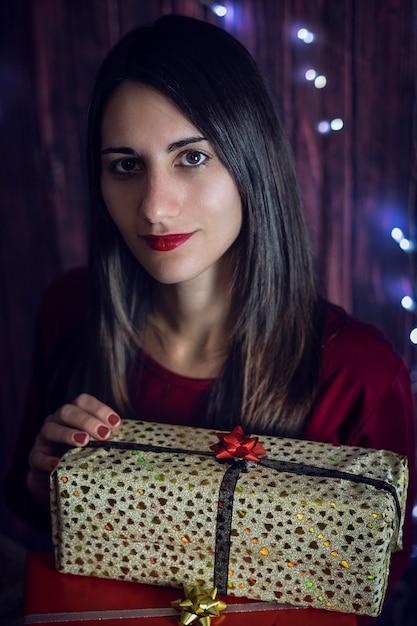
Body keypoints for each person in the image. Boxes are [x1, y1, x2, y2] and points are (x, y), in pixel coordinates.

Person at [5, 13, 415, 621]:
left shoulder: (361, 375)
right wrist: (46, 488)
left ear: (251, 162)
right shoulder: (70, 309)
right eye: (125, 164)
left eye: (191, 158)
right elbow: (29, 507)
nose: (154, 207)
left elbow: (374, 585)